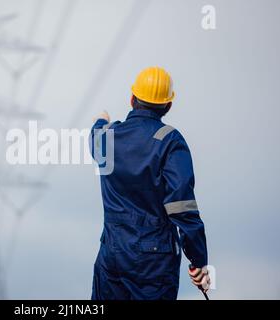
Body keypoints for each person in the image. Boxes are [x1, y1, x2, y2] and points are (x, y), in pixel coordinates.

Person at [90, 66, 210, 300]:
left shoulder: (107, 137)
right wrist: (199, 261)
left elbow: (95, 136)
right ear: (168, 106)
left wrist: (100, 121)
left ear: (132, 98)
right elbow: (182, 207)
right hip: (154, 264)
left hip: (112, 256)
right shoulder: (170, 141)